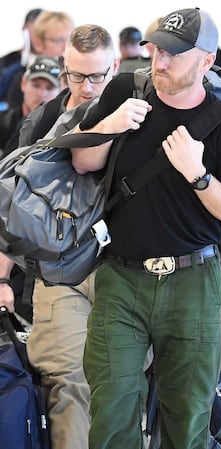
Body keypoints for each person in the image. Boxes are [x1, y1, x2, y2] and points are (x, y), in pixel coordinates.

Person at [68, 8, 221, 449]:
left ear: (206, 61)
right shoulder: (124, 91)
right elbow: (82, 161)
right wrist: (110, 126)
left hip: (193, 280)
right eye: (156, 49)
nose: (161, 60)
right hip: (121, 277)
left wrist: (199, 175)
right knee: (111, 410)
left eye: (175, 52)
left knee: (187, 417)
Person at [0, 24, 119, 449]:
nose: (87, 88)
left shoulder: (137, 113)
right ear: (65, 68)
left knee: (124, 390)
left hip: (123, 271)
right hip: (58, 273)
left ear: (115, 66)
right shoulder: (44, 121)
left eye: (97, 76)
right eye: (76, 75)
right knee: (67, 384)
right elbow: (15, 205)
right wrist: (2, 279)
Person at [0, 11, 74, 112]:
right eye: (59, 40)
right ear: (38, 43)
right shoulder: (20, 77)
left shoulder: (76, 77)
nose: (65, 47)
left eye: (69, 40)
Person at [0, 55, 61, 152]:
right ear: (23, 83)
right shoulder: (3, 124)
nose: (41, 94)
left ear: (60, 91)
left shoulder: (61, 133)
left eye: (49, 88)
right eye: (36, 86)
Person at [0, 8, 43, 72]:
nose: (38, 37)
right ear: (25, 29)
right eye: (35, 31)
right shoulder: (5, 63)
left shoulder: (53, 62)